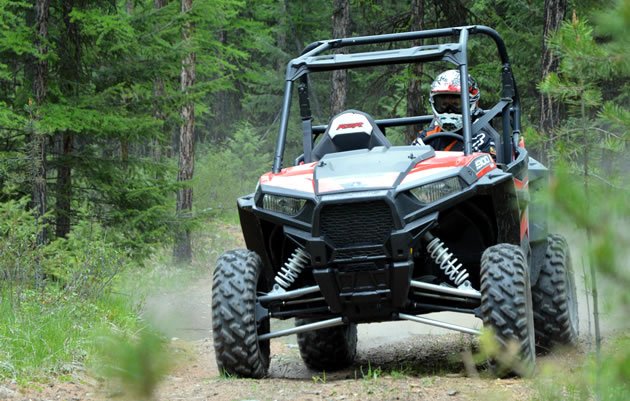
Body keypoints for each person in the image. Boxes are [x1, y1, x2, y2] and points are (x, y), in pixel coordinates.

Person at [413, 70, 497, 159]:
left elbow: (489, 169)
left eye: (455, 105)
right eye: (444, 105)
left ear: (472, 104)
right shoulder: (425, 137)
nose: (449, 111)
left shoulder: (480, 140)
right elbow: (408, 164)